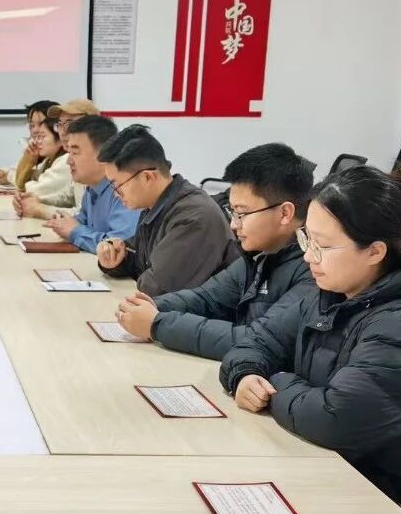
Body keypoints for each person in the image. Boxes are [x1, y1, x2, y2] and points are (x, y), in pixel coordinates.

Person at [220, 166, 401, 514]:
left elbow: (333, 420)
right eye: (306, 239)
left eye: (323, 246)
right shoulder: (334, 291)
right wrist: (245, 373)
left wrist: (275, 381)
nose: (308, 256)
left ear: (374, 252)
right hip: (353, 473)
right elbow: (257, 342)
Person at [114, 143, 315, 359]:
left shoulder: (314, 269)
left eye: (242, 213)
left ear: (285, 213)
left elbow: (257, 339)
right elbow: (206, 298)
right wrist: (150, 306)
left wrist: (157, 324)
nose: (234, 225)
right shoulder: (260, 256)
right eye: (232, 212)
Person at [97, 124, 239, 296]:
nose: (116, 194)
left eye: (117, 186)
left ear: (148, 177)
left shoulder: (194, 217)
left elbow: (158, 287)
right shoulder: (156, 207)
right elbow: (140, 261)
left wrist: (140, 272)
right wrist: (116, 259)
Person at [39, 115, 139, 251]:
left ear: (102, 154)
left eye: (75, 153)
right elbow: (84, 222)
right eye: (68, 152)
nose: (69, 161)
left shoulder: (124, 189)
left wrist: (74, 231)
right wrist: (64, 223)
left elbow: (120, 246)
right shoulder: (92, 187)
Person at [0, 100, 57, 189]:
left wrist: (9, 176)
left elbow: (34, 186)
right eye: (32, 125)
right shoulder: (36, 150)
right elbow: (24, 174)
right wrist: (5, 173)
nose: (35, 130)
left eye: (41, 124)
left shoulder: (63, 160)